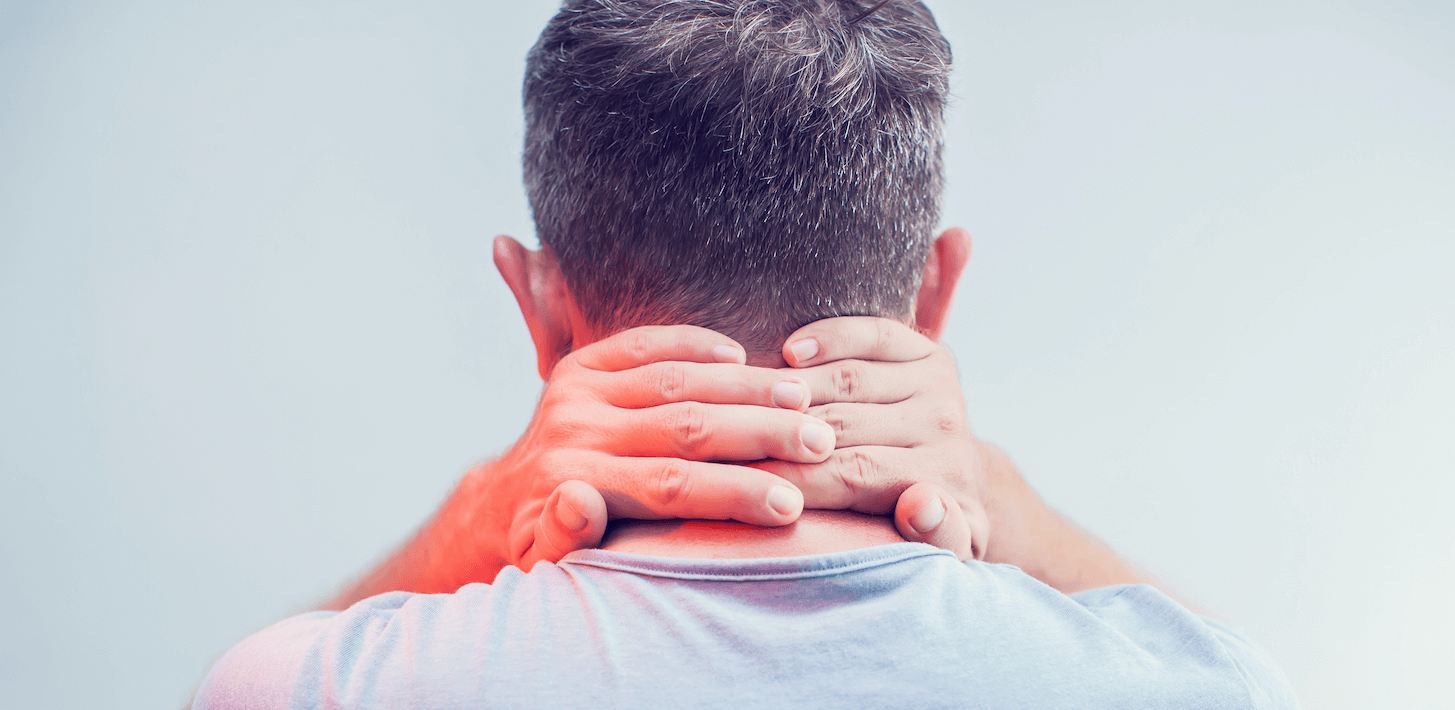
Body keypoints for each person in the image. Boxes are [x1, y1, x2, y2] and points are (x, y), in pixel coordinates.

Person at [194, 1, 1298, 707]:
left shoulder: (313, 687)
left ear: (541, 310)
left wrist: (473, 519)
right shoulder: (1195, 690)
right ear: (933, 293)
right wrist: (1007, 507)